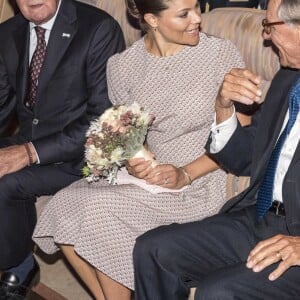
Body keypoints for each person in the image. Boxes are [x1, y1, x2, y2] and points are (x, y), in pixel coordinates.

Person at [32, 0, 246, 299]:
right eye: (184, 14)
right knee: (64, 204)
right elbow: (130, 133)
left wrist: (185, 173)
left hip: (203, 178)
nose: (198, 18)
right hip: (150, 180)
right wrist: (135, 160)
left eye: (197, 6)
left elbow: (243, 129)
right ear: (151, 20)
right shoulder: (123, 65)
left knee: (97, 210)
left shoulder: (219, 53)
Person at [133, 0, 300, 299]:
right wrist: (223, 108)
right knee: (153, 249)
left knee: (218, 293)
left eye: (269, 26)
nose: (264, 37)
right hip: (261, 219)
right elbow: (244, 159)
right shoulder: (287, 79)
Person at [0, 0, 124, 298]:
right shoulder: (9, 32)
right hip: (33, 137)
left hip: (86, 155)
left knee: (7, 181)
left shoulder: (97, 29)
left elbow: (103, 119)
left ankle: (18, 264)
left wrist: (29, 152)